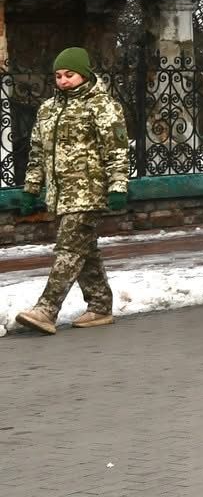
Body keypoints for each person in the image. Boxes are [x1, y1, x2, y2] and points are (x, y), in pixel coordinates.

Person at [11, 47, 129, 336]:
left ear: (84, 75)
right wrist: (31, 189)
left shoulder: (102, 106)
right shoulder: (48, 109)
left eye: (69, 75)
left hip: (90, 191)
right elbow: (37, 153)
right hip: (60, 194)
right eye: (58, 76)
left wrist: (117, 186)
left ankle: (46, 309)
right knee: (83, 249)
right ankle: (100, 306)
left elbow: (116, 150)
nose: (63, 81)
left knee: (68, 249)